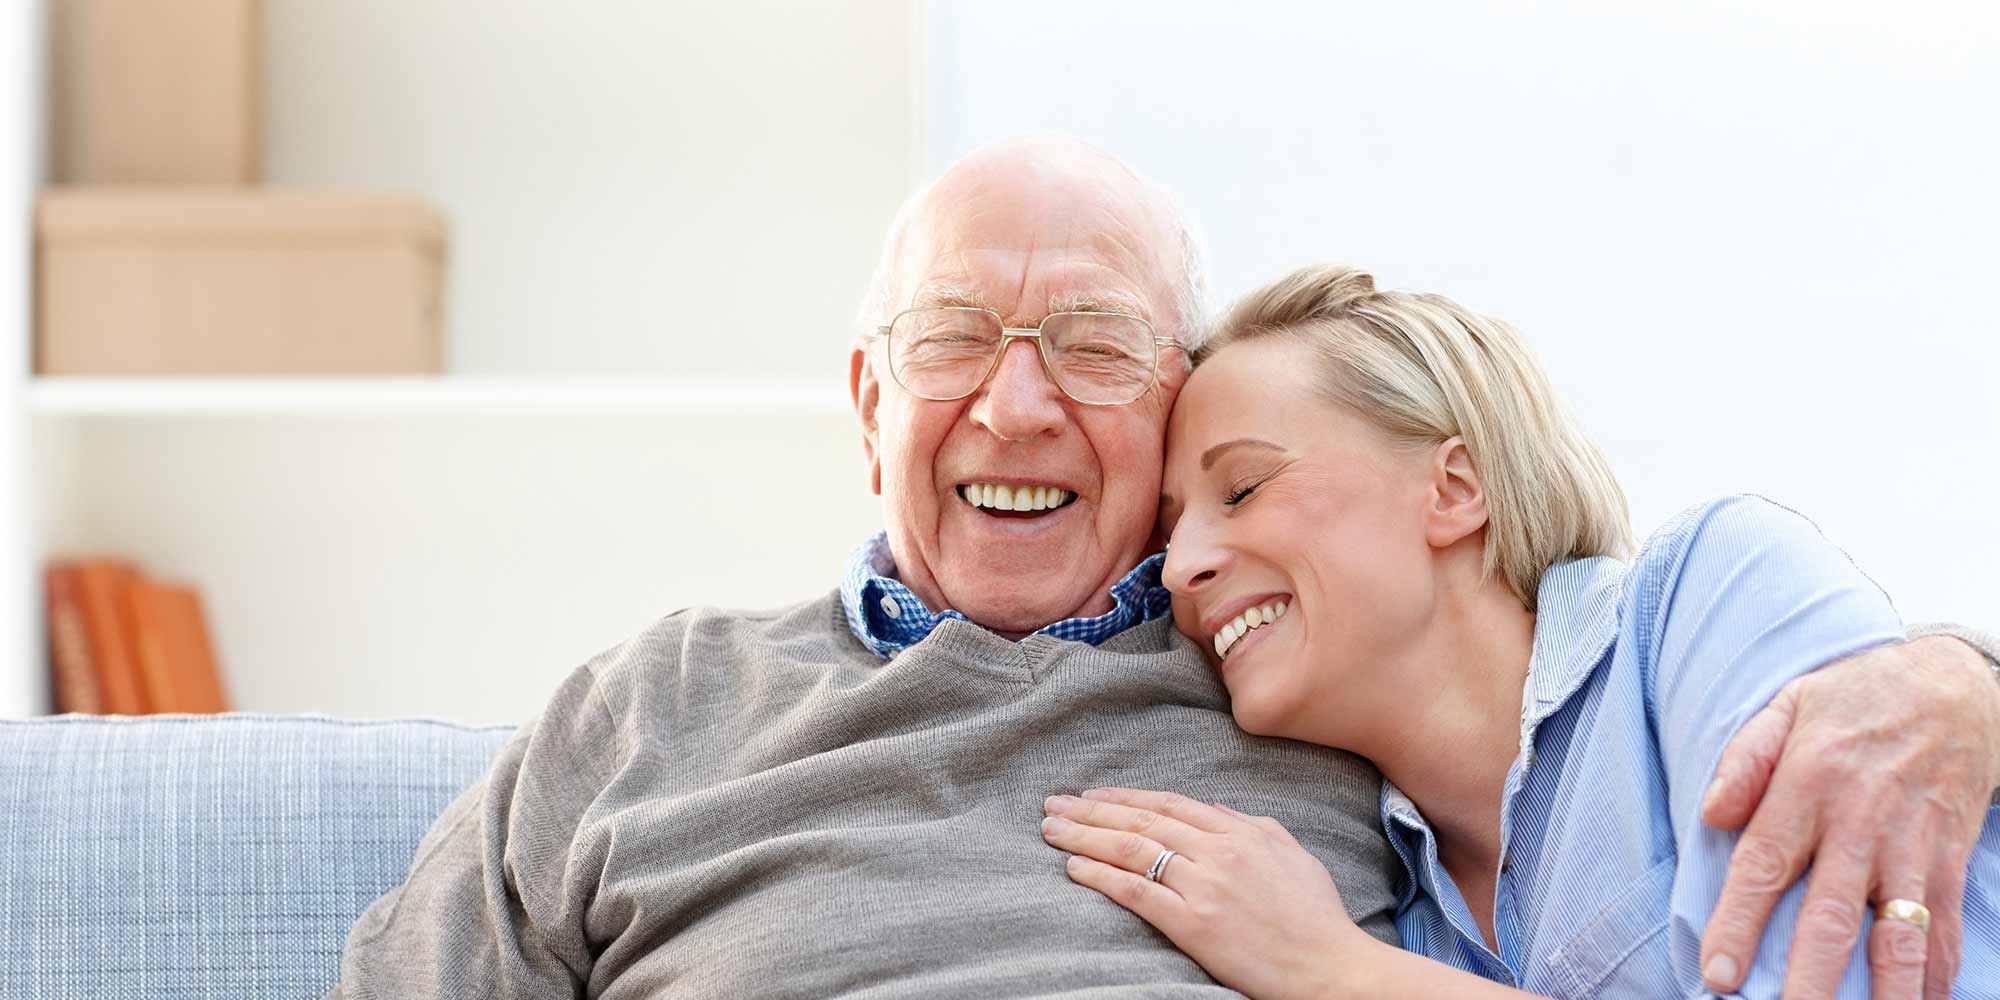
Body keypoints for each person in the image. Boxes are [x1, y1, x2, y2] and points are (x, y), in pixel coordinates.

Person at [331, 140, 1999, 998]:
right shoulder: (649, 711)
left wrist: (1961, 679)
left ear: (1166, 410)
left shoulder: (1310, 716)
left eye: (1096, 345)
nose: (1017, 403)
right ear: (867, 401)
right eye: (953, 336)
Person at [1038, 263, 2000, 999]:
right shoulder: (1405, 911)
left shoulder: (1701, 597)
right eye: (1169, 534)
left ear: (1454, 488)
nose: (1181, 568)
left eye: (1244, 487)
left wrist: (1339, 972)